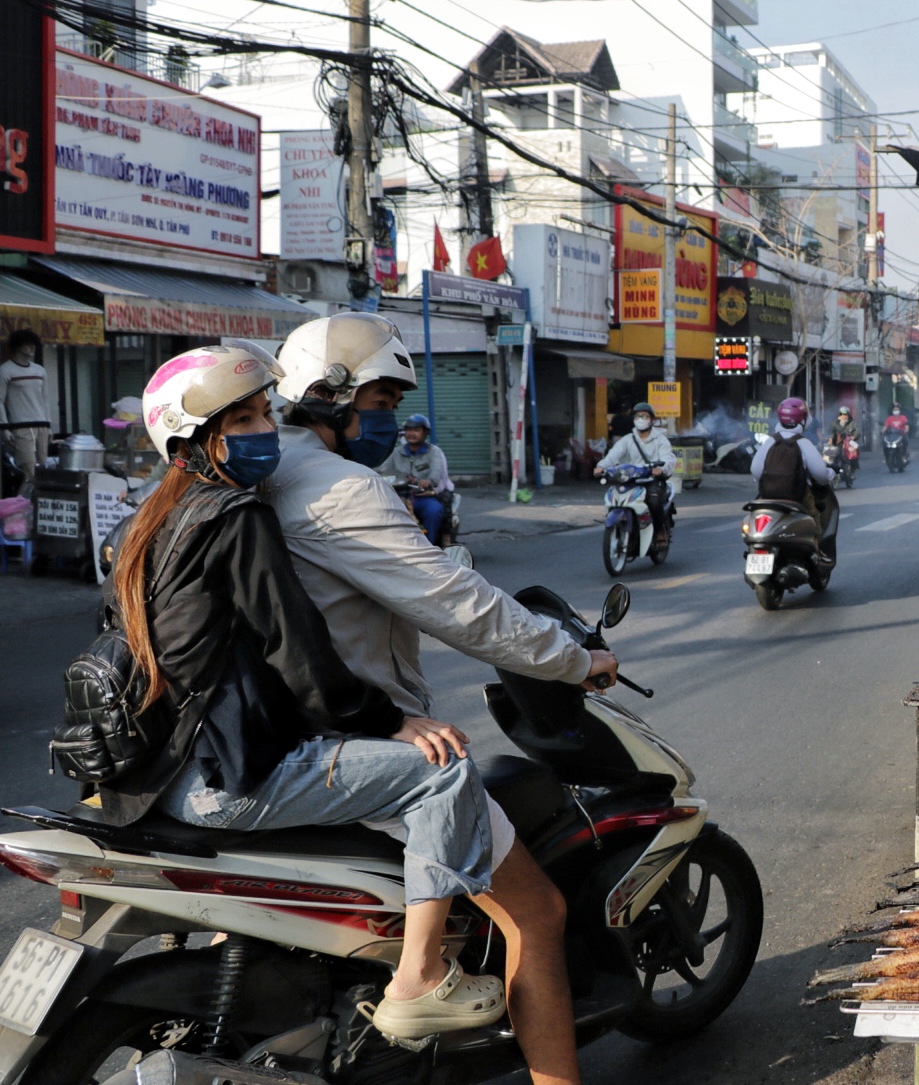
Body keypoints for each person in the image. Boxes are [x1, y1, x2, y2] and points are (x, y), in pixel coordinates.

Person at [111, 343, 505, 1039]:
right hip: (223, 780)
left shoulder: (148, 523)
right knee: (444, 772)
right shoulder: (238, 518)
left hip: (156, 777)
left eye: (266, 410)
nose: (266, 429)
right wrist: (391, 722)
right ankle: (419, 978)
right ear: (199, 439)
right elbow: (298, 651)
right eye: (244, 418)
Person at [266, 313, 616, 1085]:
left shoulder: (264, 472)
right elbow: (460, 606)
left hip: (265, 732)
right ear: (328, 397)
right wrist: (571, 659)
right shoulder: (340, 486)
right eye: (381, 399)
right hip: (353, 740)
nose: (391, 419)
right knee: (540, 913)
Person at [751, 396, 838, 557]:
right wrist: (830, 475)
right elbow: (820, 473)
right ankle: (818, 555)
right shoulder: (803, 443)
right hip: (797, 495)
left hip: (767, 496)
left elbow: (755, 470)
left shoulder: (770, 441)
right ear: (803, 420)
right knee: (815, 522)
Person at [597, 400, 675, 541]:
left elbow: (668, 459)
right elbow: (613, 455)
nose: (641, 420)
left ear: (652, 420)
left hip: (652, 480)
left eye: (645, 416)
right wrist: (601, 466)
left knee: (654, 502)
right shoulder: (627, 440)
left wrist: (661, 469)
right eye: (638, 416)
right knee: (614, 499)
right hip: (630, 480)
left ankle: (659, 532)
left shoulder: (661, 440)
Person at [382, 413, 455, 544]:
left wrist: (428, 481)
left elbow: (436, 473)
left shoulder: (434, 452)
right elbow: (383, 470)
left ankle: (429, 546)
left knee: (434, 511)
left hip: (424, 496)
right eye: (409, 430)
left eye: (416, 430)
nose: (412, 433)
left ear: (425, 433)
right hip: (399, 496)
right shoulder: (396, 452)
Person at [0, 329, 49, 482]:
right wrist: (4, 427)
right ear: (17, 346)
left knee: (41, 472)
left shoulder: (39, 370)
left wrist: (48, 425)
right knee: (30, 474)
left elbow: (45, 398)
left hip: (41, 426)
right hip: (20, 426)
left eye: (34, 344)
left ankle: (30, 504)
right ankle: (19, 504)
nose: (32, 347)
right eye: (27, 344)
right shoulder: (6, 371)